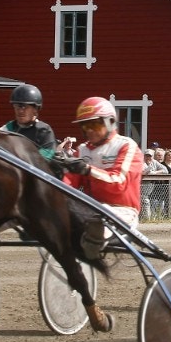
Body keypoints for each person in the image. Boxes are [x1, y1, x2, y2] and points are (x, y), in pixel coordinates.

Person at [59, 97, 144, 260]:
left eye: (95, 124)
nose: (89, 130)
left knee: (96, 218)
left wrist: (88, 170)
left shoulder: (127, 146)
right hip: (93, 208)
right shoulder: (82, 150)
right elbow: (68, 183)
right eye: (84, 126)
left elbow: (119, 183)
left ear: (110, 122)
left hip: (123, 211)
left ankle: (94, 232)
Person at [0, 84, 61, 161]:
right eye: (17, 106)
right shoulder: (7, 128)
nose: (20, 111)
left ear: (35, 109)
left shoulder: (44, 130)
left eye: (24, 107)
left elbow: (44, 158)